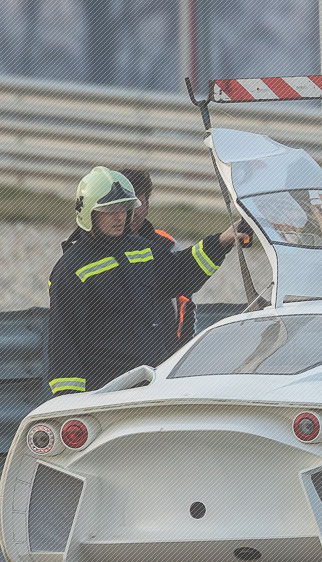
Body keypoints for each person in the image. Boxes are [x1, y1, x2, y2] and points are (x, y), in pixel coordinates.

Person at [46, 166, 238, 397]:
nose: (120, 217)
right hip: (108, 392)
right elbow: (65, 343)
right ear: (88, 213)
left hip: (153, 384)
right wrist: (72, 403)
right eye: (110, 209)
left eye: (124, 208)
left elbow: (181, 273)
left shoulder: (142, 251)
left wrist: (223, 241)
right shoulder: (72, 269)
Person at [119, 168, 196, 353]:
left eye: (138, 203)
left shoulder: (167, 245)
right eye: (126, 203)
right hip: (115, 357)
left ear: (147, 205)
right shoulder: (95, 248)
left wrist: (183, 353)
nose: (133, 211)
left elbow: (185, 304)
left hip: (164, 356)